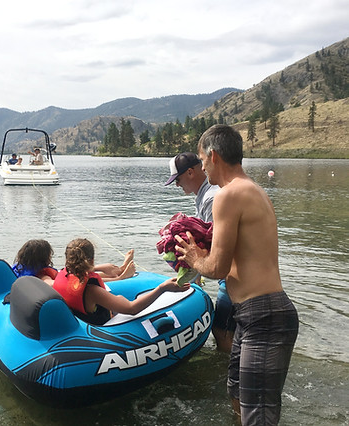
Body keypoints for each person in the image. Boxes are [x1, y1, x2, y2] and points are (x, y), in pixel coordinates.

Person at [174, 124, 299, 425]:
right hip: (254, 313)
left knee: (258, 412)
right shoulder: (253, 189)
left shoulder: (228, 195)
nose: (202, 167)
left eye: (202, 160)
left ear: (213, 156)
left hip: (263, 314)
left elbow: (216, 266)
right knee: (238, 391)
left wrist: (193, 257)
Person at [165, 152, 235, 353]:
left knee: (222, 331)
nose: (177, 186)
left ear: (190, 172)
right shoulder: (206, 195)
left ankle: (228, 374)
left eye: (177, 180)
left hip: (231, 278)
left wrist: (189, 278)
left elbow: (216, 247)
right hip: (230, 276)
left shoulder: (212, 198)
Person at [52, 238, 189, 325]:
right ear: (92, 260)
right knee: (124, 302)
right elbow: (132, 309)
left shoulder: (61, 275)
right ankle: (123, 273)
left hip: (80, 323)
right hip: (101, 328)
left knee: (116, 296)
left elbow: (85, 274)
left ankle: (122, 272)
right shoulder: (92, 291)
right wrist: (162, 288)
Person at [13, 240, 136, 286]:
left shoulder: (19, 268)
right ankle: (121, 276)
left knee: (80, 272)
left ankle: (120, 270)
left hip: (63, 274)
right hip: (65, 280)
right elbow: (58, 284)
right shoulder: (41, 276)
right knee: (83, 277)